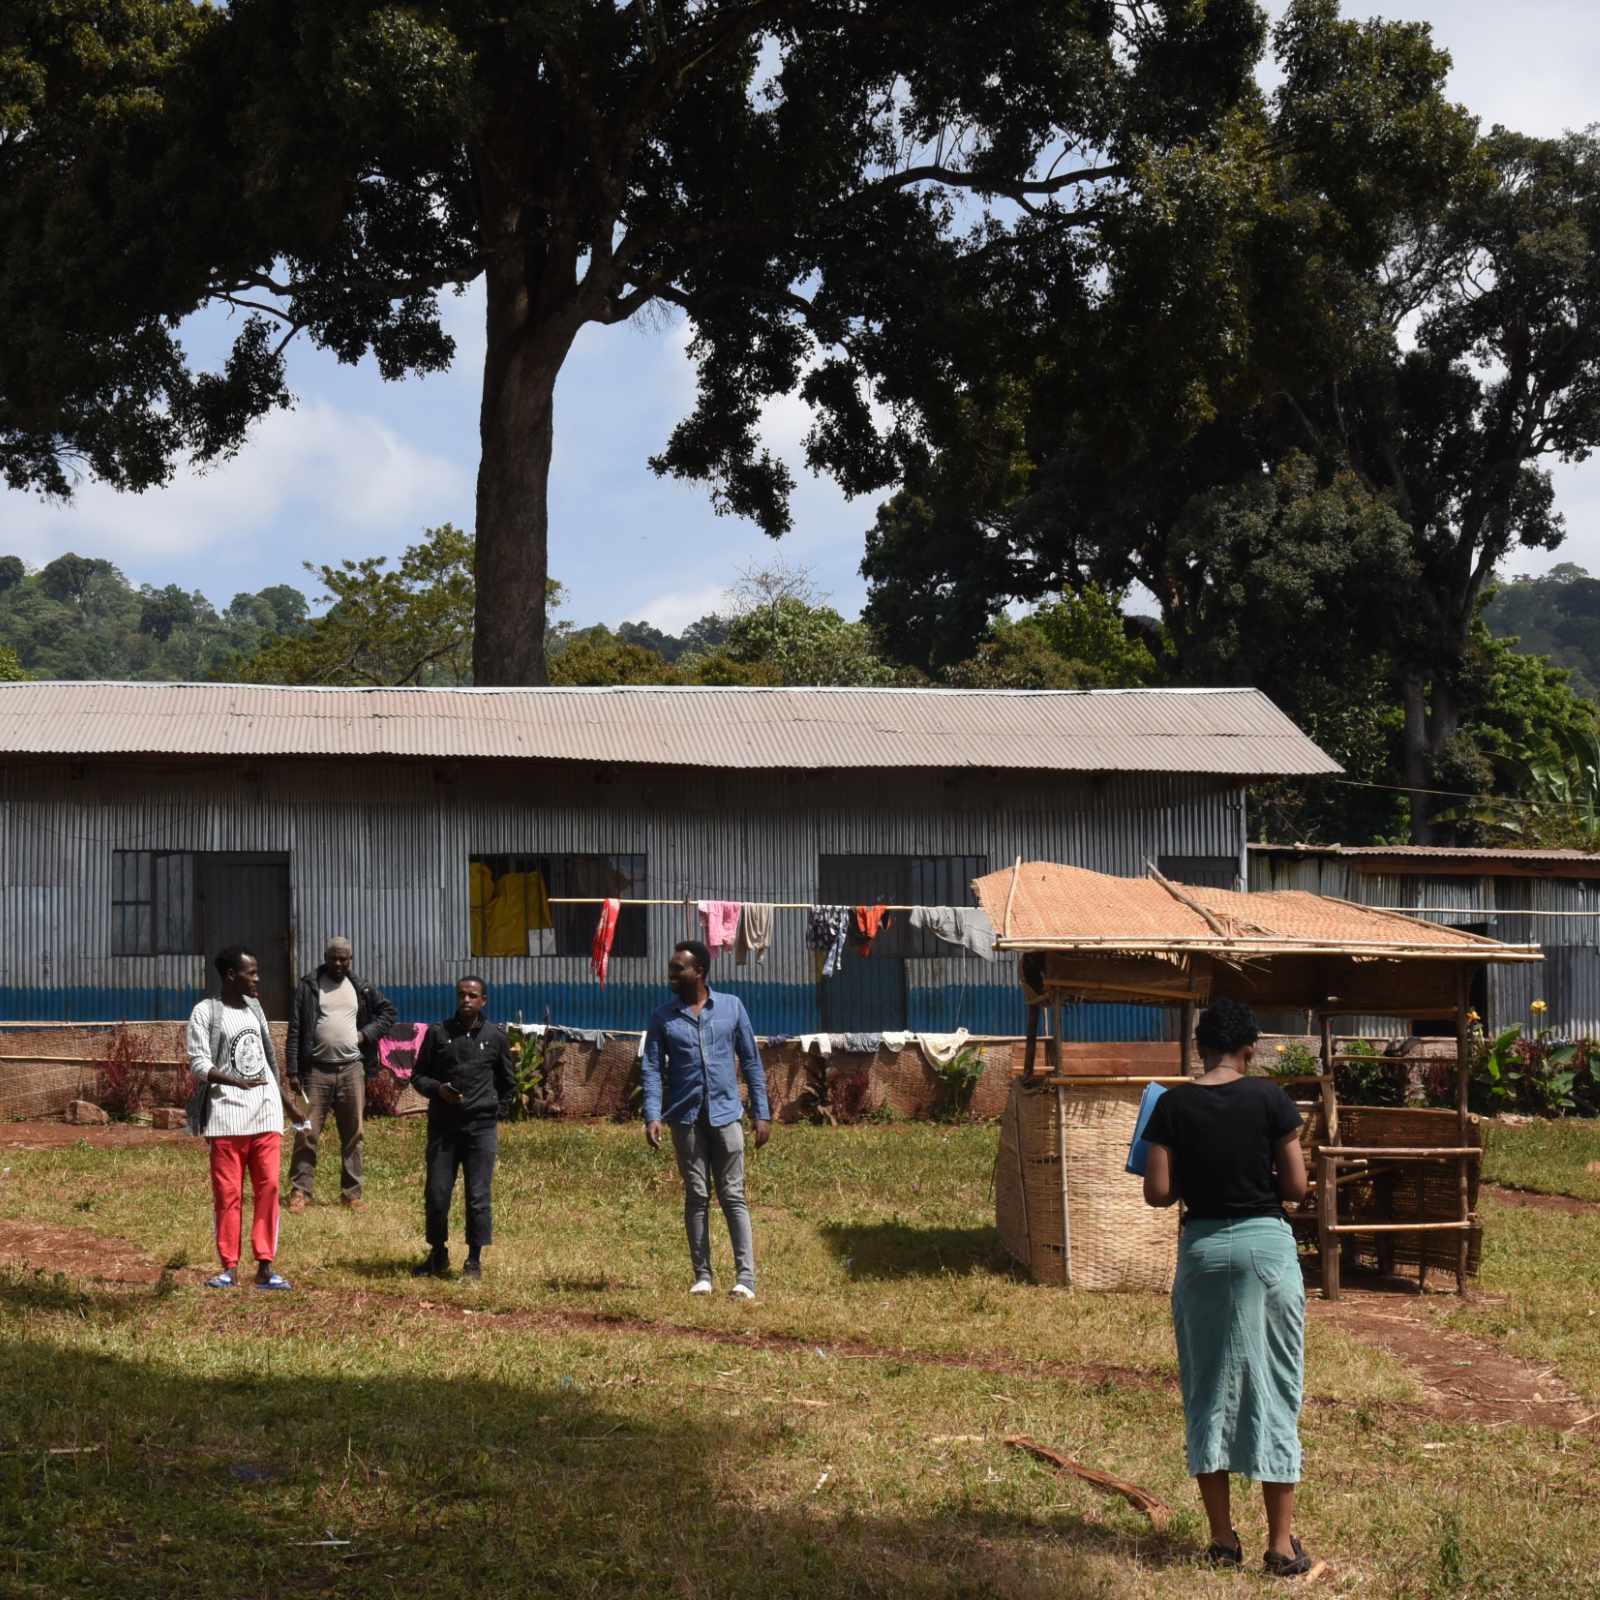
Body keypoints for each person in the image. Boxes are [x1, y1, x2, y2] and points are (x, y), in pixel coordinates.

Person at [1141, 997, 1314, 1578]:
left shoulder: (1170, 1105)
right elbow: (1296, 1188)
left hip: (1204, 1251)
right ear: (1250, 1050)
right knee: (1276, 1385)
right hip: (1266, 1248)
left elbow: (1158, 1193)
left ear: (1199, 1048)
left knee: (1207, 1386)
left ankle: (1221, 1539)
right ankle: (1281, 1546)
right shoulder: (1270, 1098)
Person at [641, 940, 771, 1301]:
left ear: (699, 971)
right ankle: (702, 1276)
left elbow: (751, 1061)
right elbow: (651, 1068)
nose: (671, 974)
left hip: (727, 1115)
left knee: (733, 1195)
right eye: (671, 968)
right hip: (686, 1119)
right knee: (696, 1195)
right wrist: (652, 1114)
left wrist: (761, 1113)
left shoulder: (731, 1007)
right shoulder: (663, 1017)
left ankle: (745, 1279)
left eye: (678, 968)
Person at [185, 946, 292, 1291]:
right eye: (251, 973)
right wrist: (235, 1081)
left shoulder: (256, 1009)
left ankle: (265, 1266)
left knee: (269, 1188)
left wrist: (287, 1103)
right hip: (227, 1118)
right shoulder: (205, 1012)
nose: (257, 979)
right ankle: (228, 1268)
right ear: (231, 975)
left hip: (265, 1113)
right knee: (228, 1194)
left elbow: (269, 1062)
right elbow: (198, 1063)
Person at [410, 975, 515, 1280]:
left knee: (478, 1196)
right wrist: (438, 1090)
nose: (466, 1000)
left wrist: (493, 1111)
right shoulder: (439, 1033)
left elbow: (508, 1082)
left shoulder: (495, 1037)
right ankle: (437, 1254)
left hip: (480, 1130)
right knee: (437, 1193)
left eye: (472, 995)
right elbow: (418, 1076)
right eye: (461, 995)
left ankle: (473, 1260)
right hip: (443, 1128)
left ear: (483, 1000)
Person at [284, 937, 396, 1213]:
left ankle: (352, 1194)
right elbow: (295, 1028)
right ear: (325, 957)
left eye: (343, 959)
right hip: (316, 1071)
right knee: (306, 1131)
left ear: (350, 959)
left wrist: (365, 1035)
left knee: (354, 1133)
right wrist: (293, 1070)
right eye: (333, 958)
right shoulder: (309, 986)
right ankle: (300, 1191)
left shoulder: (360, 987)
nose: (338, 963)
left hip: (351, 1070)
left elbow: (387, 1013)